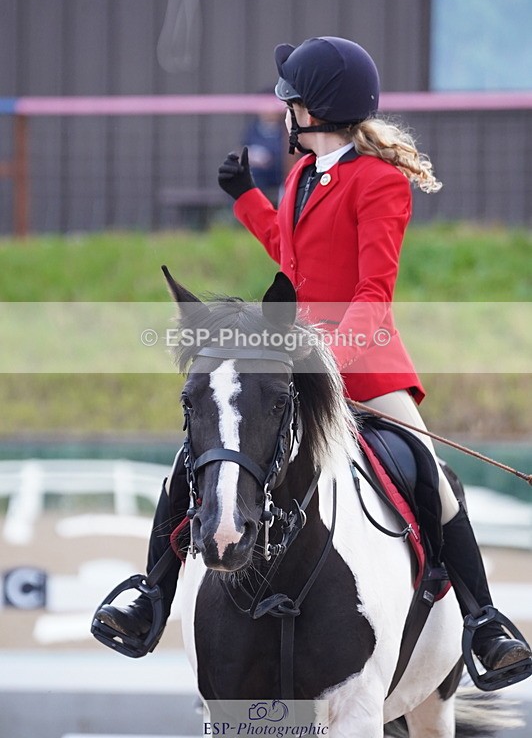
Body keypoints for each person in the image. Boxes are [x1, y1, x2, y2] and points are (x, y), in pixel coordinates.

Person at [95, 36, 530, 682]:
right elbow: (292, 254)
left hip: (363, 365)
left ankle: (484, 621)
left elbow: (372, 296)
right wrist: (247, 198)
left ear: (314, 111)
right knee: (200, 458)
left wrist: (322, 362)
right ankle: (150, 596)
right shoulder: (300, 176)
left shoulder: (381, 185)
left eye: (290, 103)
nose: (283, 113)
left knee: (431, 477)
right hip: (287, 361)